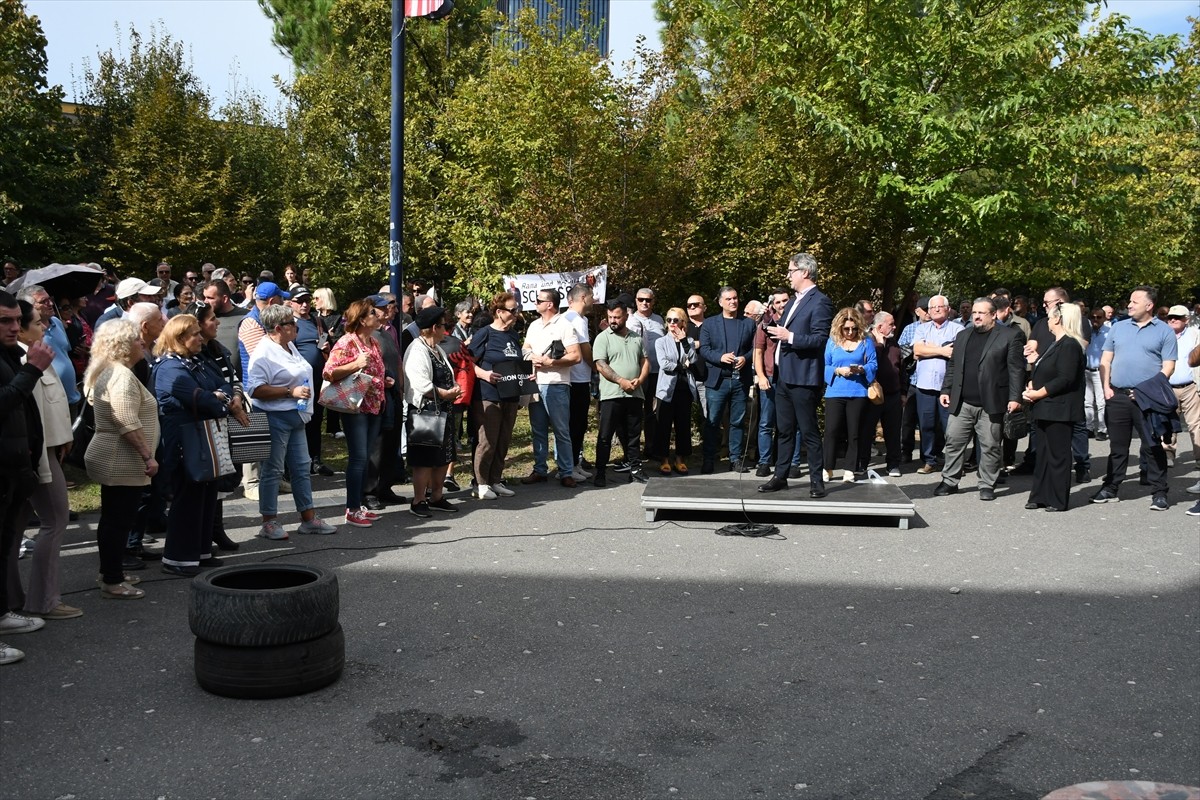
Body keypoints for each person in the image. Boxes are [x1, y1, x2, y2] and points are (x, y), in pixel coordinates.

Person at [152, 315, 234, 577]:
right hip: (183, 440)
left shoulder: (194, 361)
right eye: (195, 334)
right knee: (187, 498)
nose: (201, 338)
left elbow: (223, 384)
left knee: (205, 494)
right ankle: (178, 558)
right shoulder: (168, 368)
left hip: (202, 436)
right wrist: (220, 399)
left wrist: (221, 395)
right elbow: (204, 399)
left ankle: (200, 552)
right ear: (179, 339)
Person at [82, 319, 157, 600]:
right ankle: (112, 580)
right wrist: (147, 455)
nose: (142, 343)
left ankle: (110, 571)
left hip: (114, 456)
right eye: (137, 339)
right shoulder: (121, 375)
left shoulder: (113, 371)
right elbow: (125, 419)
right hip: (120, 459)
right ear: (124, 345)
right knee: (118, 520)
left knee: (114, 519)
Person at [247, 304, 337, 538]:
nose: (296, 326)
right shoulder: (263, 352)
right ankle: (269, 522)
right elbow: (255, 389)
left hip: (296, 416)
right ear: (278, 328)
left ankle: (308, 519)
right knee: (273, 470)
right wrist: (290, 392)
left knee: (301, 468)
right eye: (291, 323)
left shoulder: (288, 345)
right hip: (275, 416)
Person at [14, 301, 80, 620]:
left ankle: (15, 596)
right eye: (38, 323)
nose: (44, 327)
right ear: (22, 328)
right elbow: (34, 418)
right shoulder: (28, 360)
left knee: (18, 527)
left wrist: (63, 437)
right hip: (41, 455)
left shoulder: (35, 354)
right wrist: (43, 462)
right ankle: (44, 600)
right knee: (55, 520)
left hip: (50, 450)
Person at [0, 292, 56, 663]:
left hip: (14, 467)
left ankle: (3, 613)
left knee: (4, 547)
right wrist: (31, 369)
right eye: (4, 321)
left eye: (16, 320)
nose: (14, 327)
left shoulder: (8, 353)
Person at [1093, 286, 1178, 510]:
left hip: (1148, 399)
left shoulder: (1164, 331)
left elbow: (1168, 366)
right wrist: (1106, 388)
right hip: (1117, 396)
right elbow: (1106, 360)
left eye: (1134, 302)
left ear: (1149, 306)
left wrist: (1147, 390)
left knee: (1152, 446)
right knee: (1117, 447)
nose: (1129, 305)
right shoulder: (1118, 328)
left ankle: (1159, 492)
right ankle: (1110, 488)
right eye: (1129, 301)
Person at [933, 298, 1024, 501]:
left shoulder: (1010, 335)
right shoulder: (963, 335)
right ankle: (949, 481)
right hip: (962, 402)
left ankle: (987, 484)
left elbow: (1016, 369)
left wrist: (1015, 396)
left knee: (990, 446)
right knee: (953, 441)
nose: (976, 316)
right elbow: (954, 366)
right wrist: (946, 389)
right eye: (974, 312)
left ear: (993, 315)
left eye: (982, 313)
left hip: (991, 402)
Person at [760, 253, 835, 497]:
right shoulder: (793, 302)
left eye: (791, 271)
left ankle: (816, 481)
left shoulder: (820, 301)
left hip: (803, 377)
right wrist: (767, 326)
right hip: (784, 375)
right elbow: (782, 332)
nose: (788, 276)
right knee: (784, 430)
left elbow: (819, 338)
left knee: (809, 430)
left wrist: (789, 337)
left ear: (804, 272)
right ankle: (780, 476)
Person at [324, 299, 388, 526]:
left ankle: (359, 504)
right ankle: (351, 509)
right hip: (355, 407)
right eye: (373, 312)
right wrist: (356, 363)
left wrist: (384, 381)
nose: (377, 315)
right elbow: (329, 372)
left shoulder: (373, 342)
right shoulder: (346, 342)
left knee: (367, 456)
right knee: (358, 458)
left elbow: (375, 370)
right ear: (362, 319)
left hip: (374, 406)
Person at [1022, 303, 1086, 511]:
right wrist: (1033, 384)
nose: (1047, 321)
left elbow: (1065, 378)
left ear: (1058, 319)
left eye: (1049, 317)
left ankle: (1057, 499)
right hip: (1045, 407)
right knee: (1043, 454)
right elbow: (1048, 371)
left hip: (1060, 409)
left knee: (1058, 455)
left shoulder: (1070, 345)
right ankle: (1040, 495)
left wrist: (1039, 392)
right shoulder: (1055, 343)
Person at [195, 304, 249, 552]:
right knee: (213, 475)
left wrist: (237, 398)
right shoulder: (194, 354)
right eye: (212, 319)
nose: (217, 323)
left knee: (227, 474)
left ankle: (216, 528)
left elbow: (233, 379)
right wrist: (231, 405)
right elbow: (208, 389)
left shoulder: (219, 348)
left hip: (228, 416)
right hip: (209, 422)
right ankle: (208, 532)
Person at [404, 306, 463, 517]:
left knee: (444, 455)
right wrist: (445, 394)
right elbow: (421, 384)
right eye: (443, 326)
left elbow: (448, 372)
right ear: (433, 328)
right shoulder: (417, 349)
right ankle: (419, 500)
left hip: (443, 410)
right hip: (424, 411)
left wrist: (454, 388)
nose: (446, 330)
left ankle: (437, 496)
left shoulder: (437, 349)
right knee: (424, 458)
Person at [521, 288, 581, 487]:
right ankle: (540, 470)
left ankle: (565, 472)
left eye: (539, 300)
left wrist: (550, 363)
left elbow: (575, 355)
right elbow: (525, 348)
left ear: (550, 304)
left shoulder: (565, 325)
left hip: (556, 384)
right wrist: (533, 357)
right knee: (538, 430)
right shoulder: (534, 325)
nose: (535, 303)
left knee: (561, 430)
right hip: (535, 384)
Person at [469, 293, 524, 500]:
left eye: (516, 309)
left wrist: (526, 374)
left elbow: (516, 361)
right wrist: (484, 374)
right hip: (488, 395)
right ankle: (480, 483)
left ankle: (495, 480)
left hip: (511, 393)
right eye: (512, 310)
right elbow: (467, 362)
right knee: (487, 440)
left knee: (503, 439)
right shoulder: (485, 333)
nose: (516, 313)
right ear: (499, 312)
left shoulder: (513, 335)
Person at [591, 300, 650, 486]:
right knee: (605, 435)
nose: (613, 321)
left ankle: (635, 469)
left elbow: (645, 361)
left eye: (617, 317)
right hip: (611, 395)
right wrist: (621, 381)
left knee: (633, 435)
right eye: (610, 317)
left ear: (625, 316)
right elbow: (600, 364)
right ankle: (600, 472)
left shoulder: (636, 338)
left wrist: (639, 380)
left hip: (634, 394)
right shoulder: (603, 338)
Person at [699, 286, 755, 473]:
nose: (733, 301)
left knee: (738, 421)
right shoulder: (710, 324)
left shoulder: (748, 323)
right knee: (712, 421)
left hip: (740, 380)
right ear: (720, 302)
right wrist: (720, 357)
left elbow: (755, 349)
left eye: (735, 298)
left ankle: (735, 459)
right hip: (717, 381)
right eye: (729, 299)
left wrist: (745, 358)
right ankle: (708, 459)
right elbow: (704, 349)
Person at [822, 308, 877, 482]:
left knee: (854, 432)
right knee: (831, 431)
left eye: (853, 328)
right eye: (846, 329)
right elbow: (824, 366)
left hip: (858, 392)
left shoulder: (866, 342)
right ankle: (827, 467)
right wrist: (837, 370)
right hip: (835, 392)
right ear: (839, 327)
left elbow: (874, 364)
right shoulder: (832, 342)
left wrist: (862, 369)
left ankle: (850, 469)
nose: (850, 332)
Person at [911, 295, 963, 474]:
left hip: (948, 387)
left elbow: (956, 353)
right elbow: (917, 350)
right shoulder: (922, 329)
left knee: (950, 426)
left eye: (940, 307)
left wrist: (929, 349)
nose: (936, 310)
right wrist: (942, 350)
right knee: (926, 424)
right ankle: (929, 460)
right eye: (933, 308)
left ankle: (953, 463)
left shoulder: (958, 329)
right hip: (924, 386)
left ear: (948, 309)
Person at [651, 306, 699, 475]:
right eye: (669, 320)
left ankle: (680, 459)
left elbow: (693, 359)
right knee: (663, 425)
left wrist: (685, 342)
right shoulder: (661, 342)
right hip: (666, 389)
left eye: (675, 320)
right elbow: (664, 364)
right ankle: (664, 459)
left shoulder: (690, 341)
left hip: (684, 388)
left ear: (683, 322)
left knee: (683, 425)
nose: (672, 323)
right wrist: (681, 367)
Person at [859, 311, 903, 477]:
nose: (894, 327)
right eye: (891, 324)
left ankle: (893, 464)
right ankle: (862, 463)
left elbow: (901, 368)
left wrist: (903, 391)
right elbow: (871, 364)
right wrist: (878, 344)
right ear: (879, 326)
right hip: (872, 394)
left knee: (892, 431)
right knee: (866, 430)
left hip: (893, 394)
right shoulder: (867, 341)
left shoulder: (894, 343)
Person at [626, 287, 665, 455]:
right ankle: (632, 450)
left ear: (653, 301)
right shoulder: (629, 320)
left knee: (654, 412)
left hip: (658, 372)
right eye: (641, 299)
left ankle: (651, 447)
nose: (644, 303)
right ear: (635, 301)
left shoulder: (660, 320)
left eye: (648, 300)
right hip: (637, 373)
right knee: (635, 412)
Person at [562, 284, 595, 478]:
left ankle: (574, 463)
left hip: (570, 377)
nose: (593, 300)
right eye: (592, 296)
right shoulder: (577, 319)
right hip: (578, 378)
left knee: (573, 424)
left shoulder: (565, 317)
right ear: (583, 297)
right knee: (577, 423)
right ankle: (571, 466)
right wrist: (597, 367)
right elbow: (585, 349)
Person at [1163, 305, 1200, 472]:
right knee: (1168, 423)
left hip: (1190, 386)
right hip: (1167, 387)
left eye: (1177, 317)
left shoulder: (1195, 335)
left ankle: (1199, 458)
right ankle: (1167, 455)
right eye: (1170, 316)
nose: (1172, 319)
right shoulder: (1162, 334)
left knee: (1195, 424)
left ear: (1187, 319)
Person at [1085, 308, 1110, 441]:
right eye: (1093, 317)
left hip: (1100, 371)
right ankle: (1089, 427)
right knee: (1087, 402)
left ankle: (1102, 429)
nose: (1095, 320)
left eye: (1099, 317)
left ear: (1104, 318)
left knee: (1101, 402)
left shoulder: (1109, 333)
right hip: (1086, 369)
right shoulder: (1087, 332)